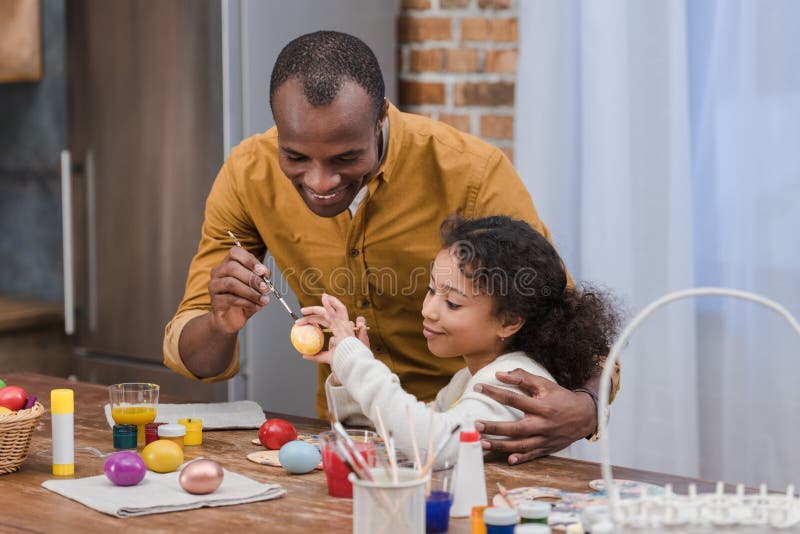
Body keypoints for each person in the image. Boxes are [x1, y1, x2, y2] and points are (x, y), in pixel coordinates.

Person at [163, 30, 621, 463]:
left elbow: (564, 321)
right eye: (296, 157)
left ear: (380, 117)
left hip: (474, 451)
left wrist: (586, 408)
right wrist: (222, 322)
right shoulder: (248, 174)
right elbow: (195, 358)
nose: (320, 182)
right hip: (360, 439)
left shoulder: (471, 173)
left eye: (346, 158)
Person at [297, 215, 621, 464]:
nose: (428, 311)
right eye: (431, 290)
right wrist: (346, 378)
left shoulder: (510, 382)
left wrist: (357, 362)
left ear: (508, 321)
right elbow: (394, 437)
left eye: (452, 303)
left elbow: (433, 445)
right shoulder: (466, 378)